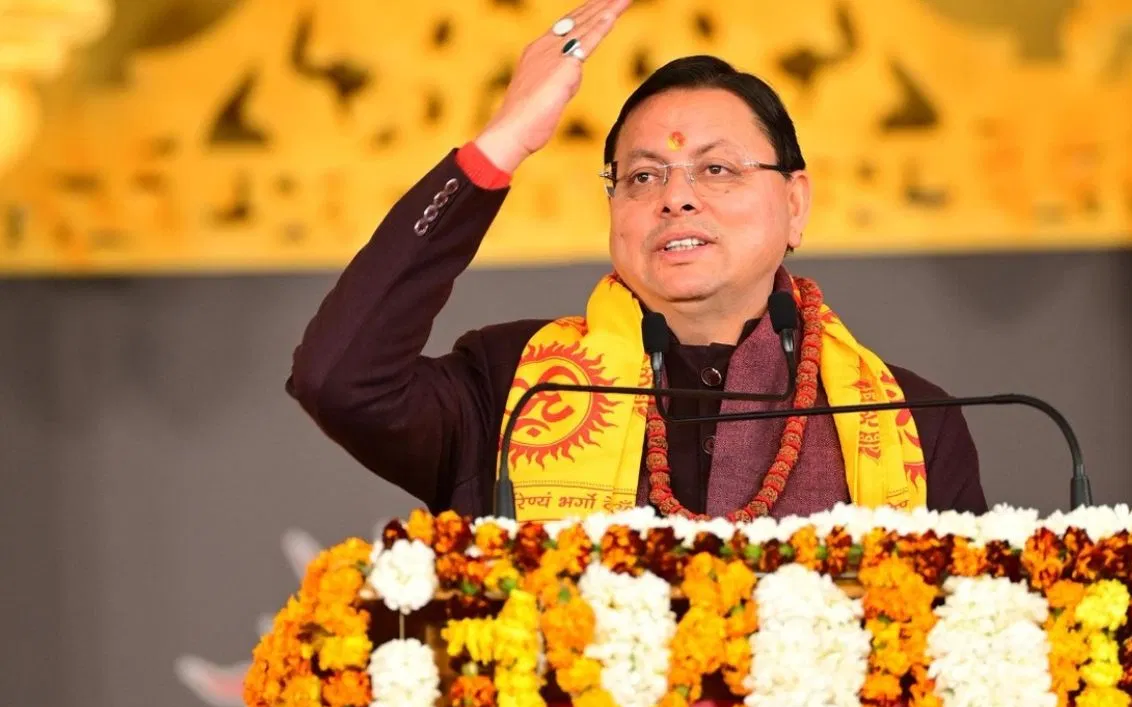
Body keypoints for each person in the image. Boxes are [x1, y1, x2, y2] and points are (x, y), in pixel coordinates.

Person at [287, 0, 987, 524]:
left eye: (717, 169)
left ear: (795, 203)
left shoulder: (908, 422)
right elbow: (339, 380)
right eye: (644, 176)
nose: (675, 198)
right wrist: (503, 141)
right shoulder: (511, 388)